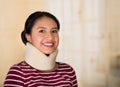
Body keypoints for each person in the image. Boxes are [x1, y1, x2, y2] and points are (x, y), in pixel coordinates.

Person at [3, 11, 78, 87]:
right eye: (41, 31)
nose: (50, 37)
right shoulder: (18, 72)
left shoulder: (68, 70)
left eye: (54, 31)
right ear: (28, 36)